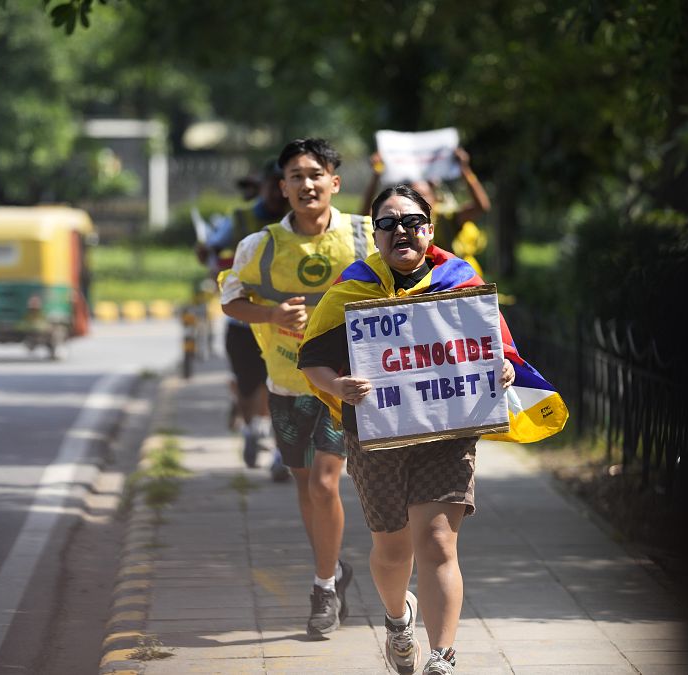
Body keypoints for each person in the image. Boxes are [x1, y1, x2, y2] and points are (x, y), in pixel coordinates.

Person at [299, 184, 567, 674]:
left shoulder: (461, 281)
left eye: (410, 222)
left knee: (440, 543)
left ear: (428, 229)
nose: (399, 231)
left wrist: (503, 368)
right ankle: (399, 621)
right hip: (377, 434)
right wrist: (338, 386)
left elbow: (499, 351)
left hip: (449, 431)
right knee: (392, 547)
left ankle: (442, 657)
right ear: (374, 234)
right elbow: (312, 359)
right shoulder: (352, 289)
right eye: (386, 223)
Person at [218, 137, 377, 636]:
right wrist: (270, 314)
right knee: (307, 488)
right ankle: (332, 569)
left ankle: (323, 590)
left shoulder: (366, 236)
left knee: (327, 483)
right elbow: (229, 300)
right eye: (295, 177)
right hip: (286, 385)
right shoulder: (259, 246)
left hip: (340, 389)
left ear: (334, 182)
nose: (306, 184)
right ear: (281, 188)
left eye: (315, 174)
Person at [207, 160, 289, 480]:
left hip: (285, 324)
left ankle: (280, 450)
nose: (277, 192)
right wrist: (213, 263)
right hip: (242, 322)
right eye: (273, 184)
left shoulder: (301, 224)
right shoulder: (241, 219)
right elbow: (212, 249)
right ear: (263, 185)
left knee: (281, 385)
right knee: (247, 384)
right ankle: (252, 430)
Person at [360, 146, 491, 261]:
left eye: (422, 195)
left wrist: (465, 170)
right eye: (412, 196)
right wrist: (376, 175)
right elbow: (365, 218)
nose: (417, 201)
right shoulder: (398, 223)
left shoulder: (445, 218)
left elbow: (481, 206)